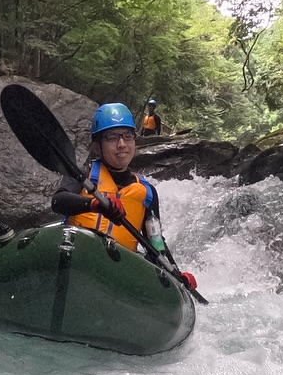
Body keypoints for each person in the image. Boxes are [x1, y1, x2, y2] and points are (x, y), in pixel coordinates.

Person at [50, 103, 197, 291]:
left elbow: (155, 244)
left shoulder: (148, 192)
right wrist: (95, 204)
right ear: (97, 146)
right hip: (75, 263)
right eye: (112, 138)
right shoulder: (82, 174)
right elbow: (58, 202)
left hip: (117, 278)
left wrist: (176, 273)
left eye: (127, 137)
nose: (121, 144)